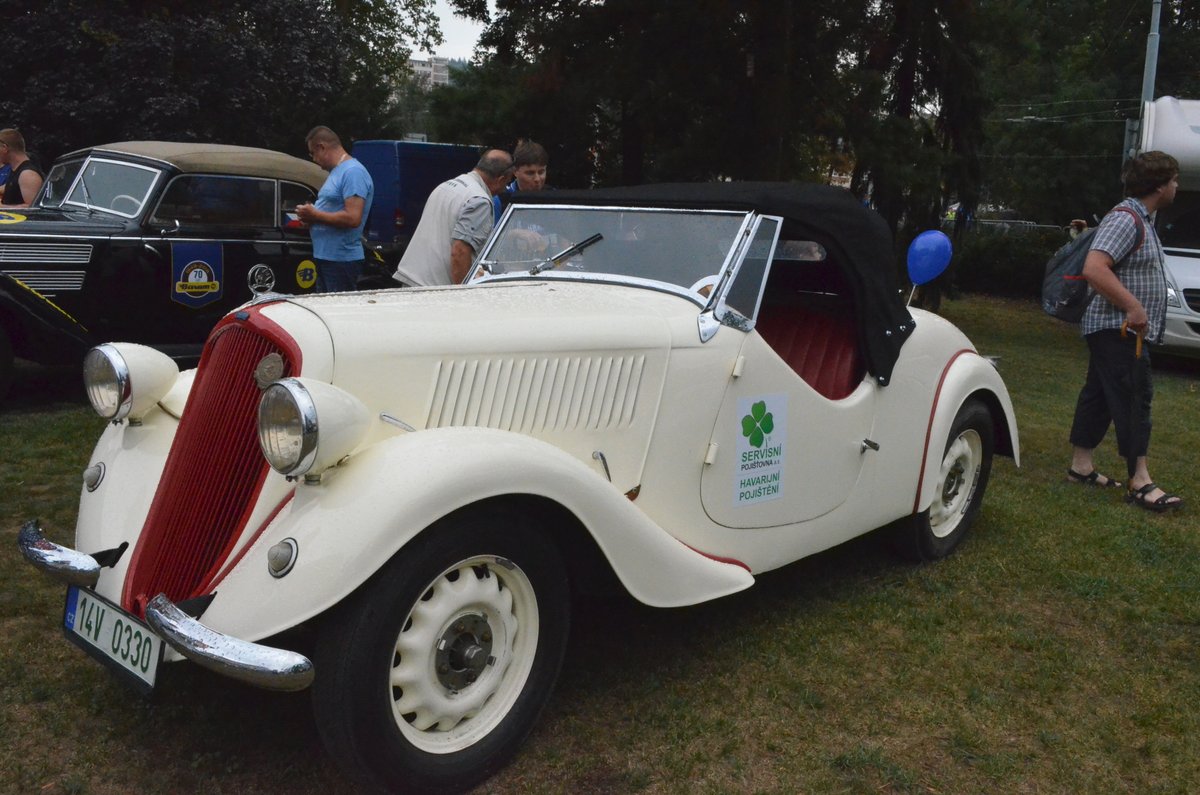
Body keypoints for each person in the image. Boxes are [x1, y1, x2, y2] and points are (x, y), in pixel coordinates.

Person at [1066, 150, 1183, 512]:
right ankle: (1140, 481)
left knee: (1098, 396)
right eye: (1175, 180)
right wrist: (1133, 307)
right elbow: (1095, 268)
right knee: (1135, 396)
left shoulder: (1142, 218)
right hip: (1117, 329)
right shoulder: (1127, 218)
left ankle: (1080, 467)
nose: (1177, 186)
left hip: (1114, 329)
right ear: (1160, 186)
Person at [393, 149, 513, 287]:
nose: (505, 188)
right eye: (507, 182)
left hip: (411, 279)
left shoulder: (447, 185)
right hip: (435, 291)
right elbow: (460, 252)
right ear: (501, 179)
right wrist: (462, 294)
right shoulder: (479, 200)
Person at [295, 126, 374, 292]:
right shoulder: (337, 172)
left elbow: (353, 218)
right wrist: (310, 219)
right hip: (326, 258)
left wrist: (315, 215)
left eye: (312, 153)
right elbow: (330, 211)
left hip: (341, 261)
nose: (313, 159)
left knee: (336, 313)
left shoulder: (353, 172)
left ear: (322, 147)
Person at [493, 139, 549, 223]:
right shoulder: (500, 200)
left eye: (541, 172)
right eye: (530, 173)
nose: (537, 179)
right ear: (515, 171)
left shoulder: (553, 195)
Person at [0, 129, 45, 208]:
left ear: (4, 148)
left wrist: (2, 207)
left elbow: (33, 208)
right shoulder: (16, 170)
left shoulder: (28, 174)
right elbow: (8, 188)